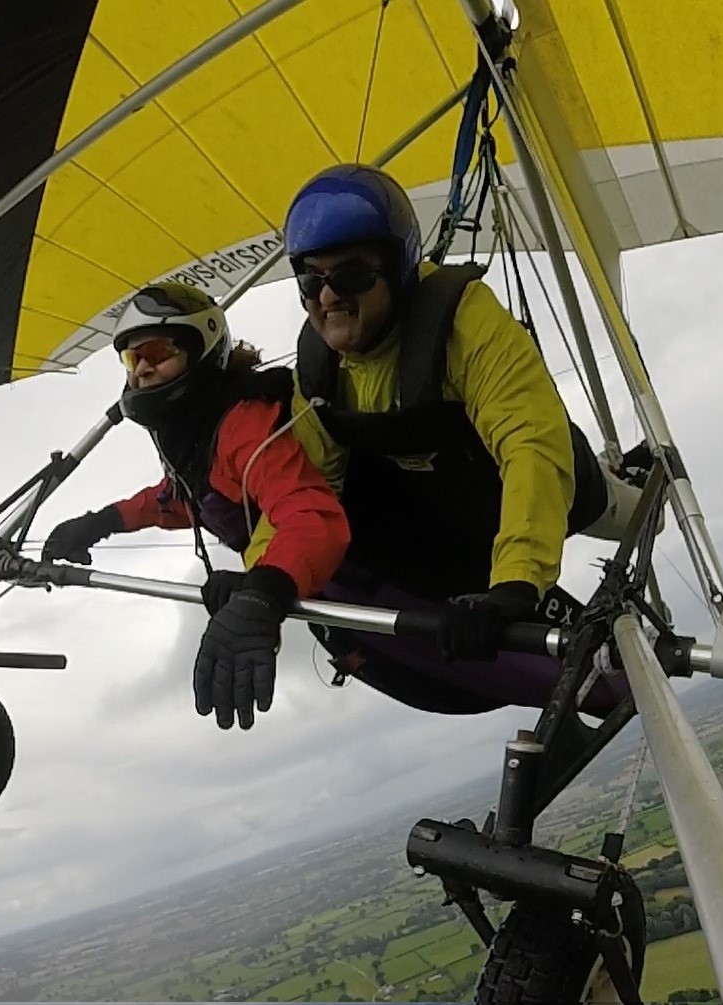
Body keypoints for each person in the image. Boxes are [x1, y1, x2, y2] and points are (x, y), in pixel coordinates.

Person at [265, 163, 643, 716]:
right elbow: (307, 493)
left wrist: (516, 582)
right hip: (459, 507)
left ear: (395, 269)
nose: (327, 298)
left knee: (616, 512)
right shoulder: (319, 370)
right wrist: (265, 582)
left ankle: (631, 490)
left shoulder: (464, 319)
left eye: (347, 277)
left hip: (554, 484)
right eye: (310, 280)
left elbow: (529, 444)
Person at [40, 281, 351, 731]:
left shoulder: (242, 425)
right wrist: (100, 522)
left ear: (200, 351)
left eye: (157, 352)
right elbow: (183, 499)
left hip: (347, 566)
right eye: (133, 358)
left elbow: (310, 516)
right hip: (311, 575)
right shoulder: (195, 435)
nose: (142, 368)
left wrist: (260, 593)